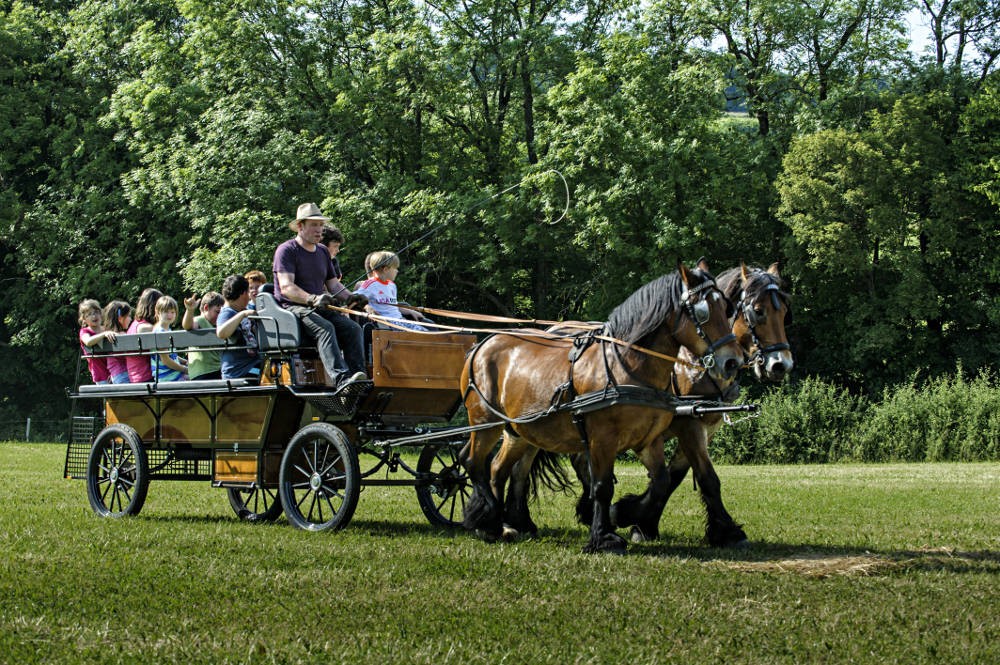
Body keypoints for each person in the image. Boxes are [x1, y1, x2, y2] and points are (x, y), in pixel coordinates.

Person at [273, 202, 367, 389]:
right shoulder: (287, 250)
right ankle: (341, 381)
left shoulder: (323, 251)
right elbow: (286, 288)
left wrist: (351, 297)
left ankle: (359, 379)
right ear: (300, 226)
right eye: (314, 225)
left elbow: (332, 284)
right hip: (292, 309)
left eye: (321, 225)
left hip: (317, 306)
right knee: (325, 328)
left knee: (352, 329)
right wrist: (312, 299)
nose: (319, 230)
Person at [355, 251, 430, 331]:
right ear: (386, 269)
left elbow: (393, 307)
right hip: (386, 325)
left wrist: (410, 311)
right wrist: (367, 307)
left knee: (428, 334)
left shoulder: (392, 286)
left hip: (400, 321)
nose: (397, 271)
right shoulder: (370, 285)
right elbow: (353, 299)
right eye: (395, 268)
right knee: (422, 337)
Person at [215, 274, 261, 380]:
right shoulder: (227, 312)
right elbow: (221, 333)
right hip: (239, 370)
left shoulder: (238, 310)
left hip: (251, 365)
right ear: (243, 294)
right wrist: (242, 315)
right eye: (248, 292)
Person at [182, 291, 224, 380]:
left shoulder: (217, 325)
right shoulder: (200, 320)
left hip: (215, 370)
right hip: (205, 371)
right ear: (206, 308)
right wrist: (190, 310)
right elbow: (187, 326)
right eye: (217, 312)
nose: (220, 316)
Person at [125, 288, 162, 383]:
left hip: (135, 377)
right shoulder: (147, 328)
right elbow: (164, 354)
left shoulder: (134, 325)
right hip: (148, 377)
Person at [78, 299, 116, 384]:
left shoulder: (107, 329)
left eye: (96, 312)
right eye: (89, 314)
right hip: (101, 375)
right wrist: (103, 334)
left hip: (114, 372)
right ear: (84, 319)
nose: (94, 316)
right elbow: (88, 341)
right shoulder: (85, 331)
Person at [150, 295, 187, 382]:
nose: (170, 315)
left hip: (173, 374)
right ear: (158, 312)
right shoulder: (160, 332)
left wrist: (185, 362)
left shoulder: (166, 330)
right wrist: (185, 369)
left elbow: (171, 355)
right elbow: (166, 360)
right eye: (166, 312)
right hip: (167, 377)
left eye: (173, 312)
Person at [102, 301, 133, 384]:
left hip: (115, 375)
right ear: (120, 318)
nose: (131, 319)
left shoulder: (107, 334)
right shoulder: (121, 335)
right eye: (129, 316)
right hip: (125, 374)